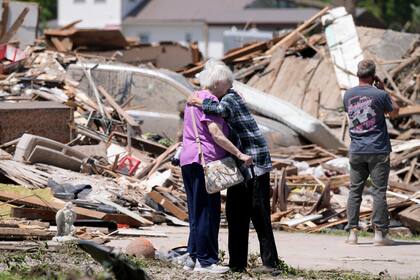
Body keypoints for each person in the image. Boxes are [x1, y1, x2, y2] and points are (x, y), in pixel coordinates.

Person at [188, 60, 279, 274]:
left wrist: (198, 102)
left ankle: (270, 264)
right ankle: (237, 263)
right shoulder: (225, 95)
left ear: (220, 83)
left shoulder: (230, 97)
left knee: (259, 213)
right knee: (235, 213)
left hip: (254, 163)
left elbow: (220, 110)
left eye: (213, 84)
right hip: (240, 164)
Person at [180, 60, 252, 273]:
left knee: (195, 211)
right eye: (227, 84)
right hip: (205, 161)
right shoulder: (210, 100)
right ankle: (207, 261)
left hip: (188, 158)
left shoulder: (193, 98)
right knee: (208, 212)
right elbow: (216, 134)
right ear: (219, 82)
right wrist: (239, 153)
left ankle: (192, 256)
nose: (229, 88)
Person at [343, 59, 399, 246]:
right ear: (373, 76)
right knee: (379, 192)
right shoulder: (380, 94)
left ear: (358, 74)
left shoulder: (348, 95)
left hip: (357, 150)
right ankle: (379, 235)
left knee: (354, 191)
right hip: (378, 149)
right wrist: (384, 91)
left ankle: (352, 234)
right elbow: (395, 113)